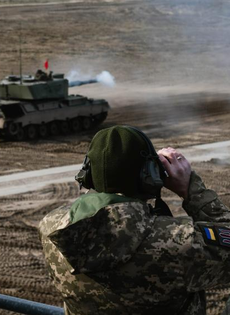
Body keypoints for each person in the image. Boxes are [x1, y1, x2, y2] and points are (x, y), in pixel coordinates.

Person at [39, 125, 230, 315]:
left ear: (87, 173)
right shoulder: (179, 241)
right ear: (150, 176)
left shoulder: (51, 226)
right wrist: (191, 189)